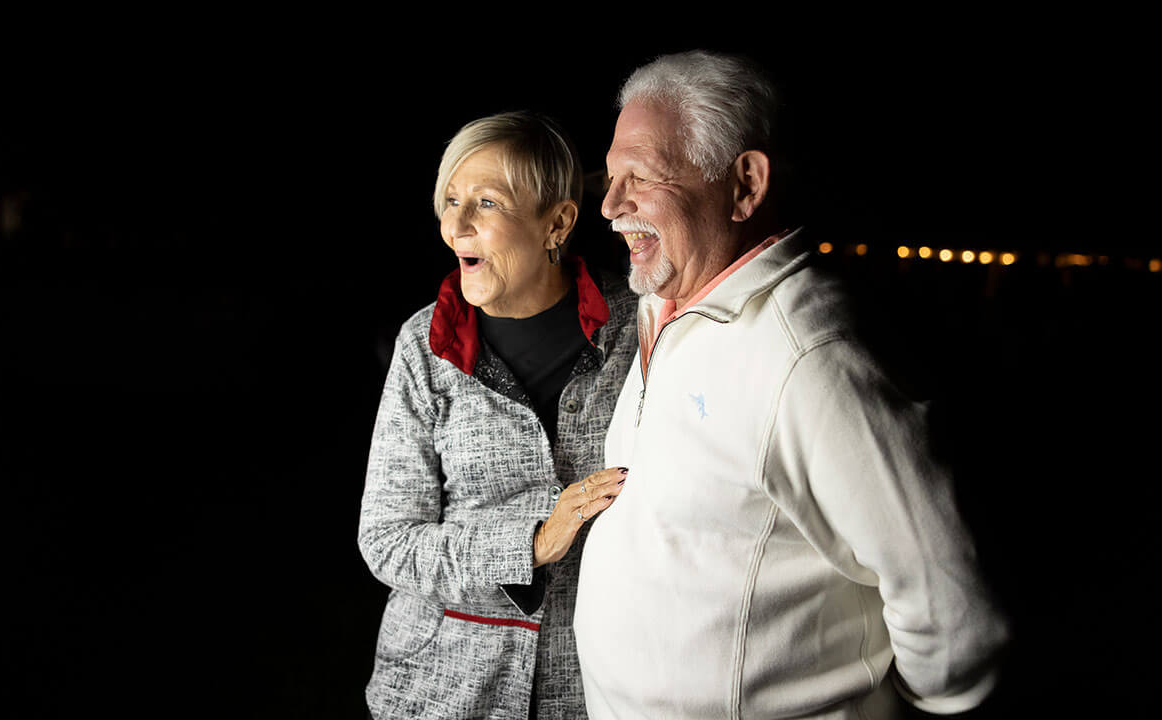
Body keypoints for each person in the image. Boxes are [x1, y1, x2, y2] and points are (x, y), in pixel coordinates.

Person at [573, 50, 1010, 719]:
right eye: (609, 177)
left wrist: (903, 705)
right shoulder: (666, 305)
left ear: (745, 185)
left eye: (641, 177)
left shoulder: (810, 358)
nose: (607, 205)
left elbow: (950, 602)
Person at [358, 110, 638, 719]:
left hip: (594, 690)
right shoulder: (423, 346)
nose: (454, 226)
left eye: (485, 204)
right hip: (439, 691)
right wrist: (532, 542)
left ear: (556, 223)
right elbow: (387, 541)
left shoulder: (639, 329)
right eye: (450, 200)